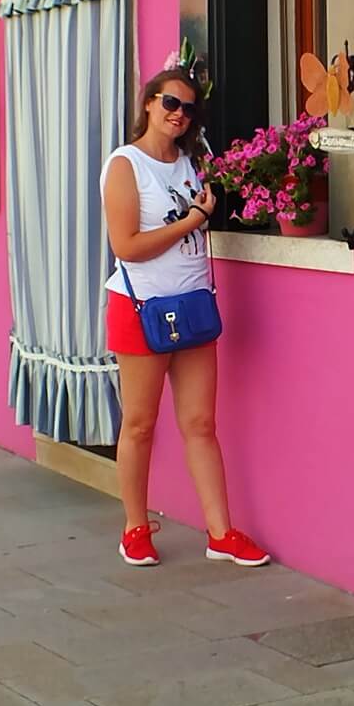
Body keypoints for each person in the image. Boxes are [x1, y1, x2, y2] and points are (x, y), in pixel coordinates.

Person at [100, 66, 270, 570]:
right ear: (149, 102)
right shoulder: (126, 164)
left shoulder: (191, 163)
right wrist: (193, 220)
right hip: (141, 307)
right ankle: (134, 528)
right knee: (140, 424)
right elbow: (126, 246)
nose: (179, 114)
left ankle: (222, 532)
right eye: (170, 103)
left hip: (192, 304)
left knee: (200, 423)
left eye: (189, 108)